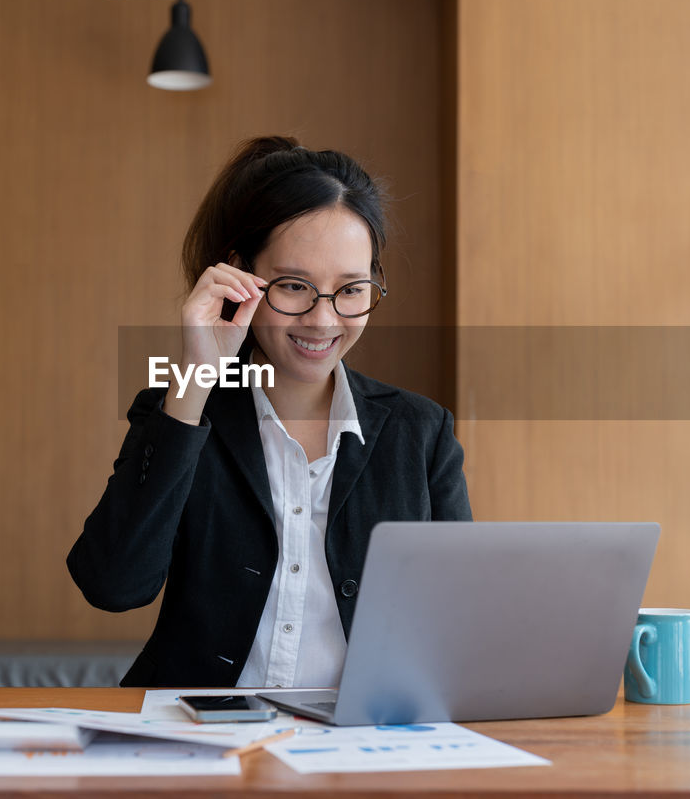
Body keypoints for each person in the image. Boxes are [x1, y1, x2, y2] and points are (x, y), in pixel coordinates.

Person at [67, 135, 472, 689]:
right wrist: (197, 378)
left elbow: (459, 619)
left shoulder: (420, 433)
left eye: (350, 290)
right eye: (293, 286)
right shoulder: (182, 408)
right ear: (241, 276)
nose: (323, 319)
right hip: (198, 739)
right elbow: (113, 586)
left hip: (359, 745)